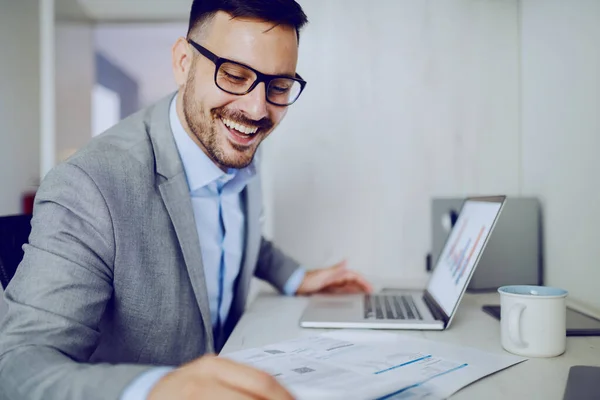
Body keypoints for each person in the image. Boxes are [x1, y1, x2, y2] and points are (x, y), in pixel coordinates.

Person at [0, 1, 372, 399]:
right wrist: (156, 390)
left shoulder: (234, 136)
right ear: (182, 62)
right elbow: (19, 366)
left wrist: (297, 277)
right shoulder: (90, 184)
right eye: (233, 75)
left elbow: (238, 233)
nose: (257, 108)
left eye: (278, 86)